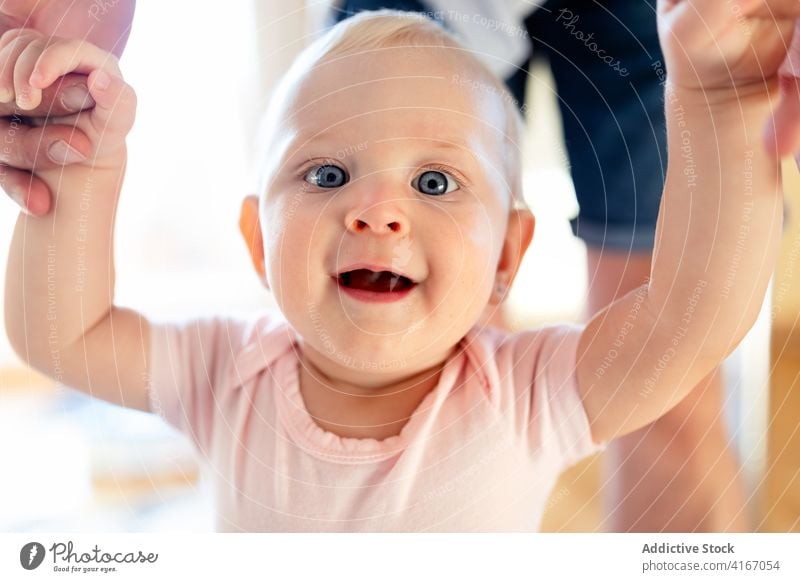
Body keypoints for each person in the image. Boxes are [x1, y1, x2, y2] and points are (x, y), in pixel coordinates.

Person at [3, 0, 790, 532]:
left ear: (509, 256)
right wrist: (78, 170)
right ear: (257, 240)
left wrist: (722, 102)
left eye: (435, 183)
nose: (377, 212)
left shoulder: (523, 394)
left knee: (674, 418)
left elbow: (691, 318)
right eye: (326, 175)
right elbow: (59, 335)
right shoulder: (224, 371)